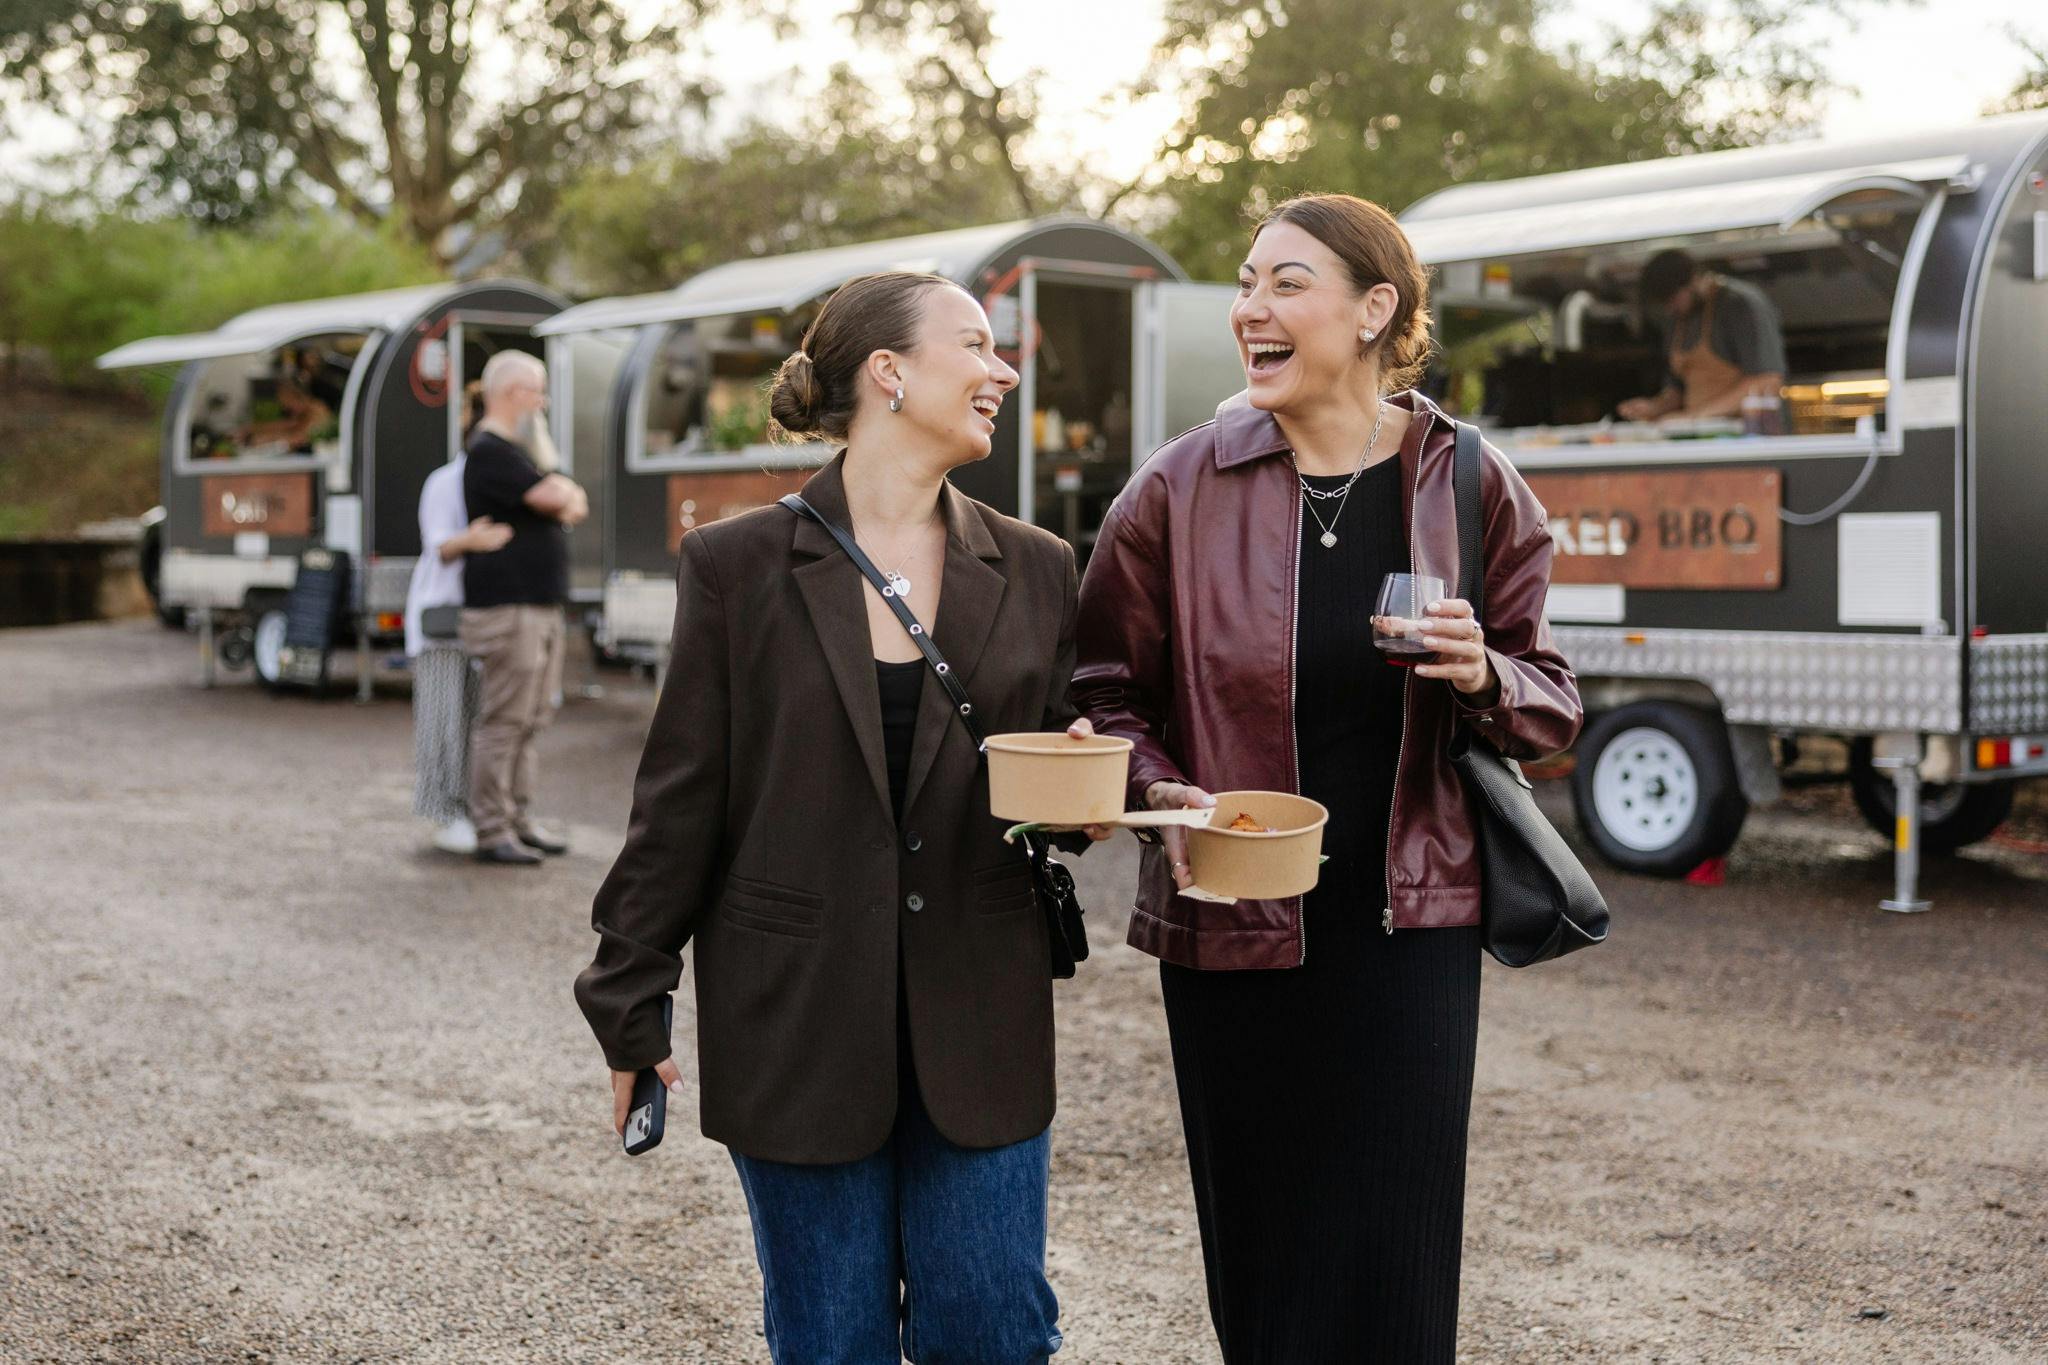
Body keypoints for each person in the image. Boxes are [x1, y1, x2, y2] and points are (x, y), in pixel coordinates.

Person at [1075, 193, 1582, 1364]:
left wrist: (1481, 675)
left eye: (1284, 283)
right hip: (1230, 915)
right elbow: (1102, 691)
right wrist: (1163, 795)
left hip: (1411, 923)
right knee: (1264, 1255)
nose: (1250, 307)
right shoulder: (1177, 488)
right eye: (1245, 283)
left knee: (1396, 1250)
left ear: (1372, 310)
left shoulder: (1469, 481)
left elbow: (1549, 700)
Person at [574, 271, 1111, 1365]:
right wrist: (629, 995)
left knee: (994, 1335)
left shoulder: (1042, 565)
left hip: (982, 1015)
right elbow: (679, 798)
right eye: (976, 344)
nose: (1002, 370)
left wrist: (1087, 794)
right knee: (828, 1344)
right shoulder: (735, 567)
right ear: (889, 372)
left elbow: (1047, 777)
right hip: (795, 1023)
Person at [459, 350, 587, 866]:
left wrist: (565, 494)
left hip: (535, 607)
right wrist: (563, 494)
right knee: (505, 721)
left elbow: (570, 498)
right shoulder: (491, 451)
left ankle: (518, 819)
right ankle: (492, 829)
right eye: (538, 391)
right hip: (509, 610)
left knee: (530, 720)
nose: (544, 402)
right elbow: (557, 498)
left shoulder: (520, 451)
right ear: (514, 392)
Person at [403, 384, 511, 856]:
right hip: (442, 619)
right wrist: (476, 538)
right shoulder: (445, 481)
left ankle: (473, 808)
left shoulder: (501, 476)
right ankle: (444, 812)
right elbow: (440, 546)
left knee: (478, 719)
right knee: (444, 720)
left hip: (484, 615)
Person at [1616, 248, 1787, 426]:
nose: (1669, 309)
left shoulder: (1739, 305)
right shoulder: (1678, 319)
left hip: (1746, 433)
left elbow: (1766, 381)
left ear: (1694, 280)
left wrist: (1694, 417)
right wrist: (1654, 407)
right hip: (1700, 433)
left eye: (1673, 299)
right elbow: (1678, 389)